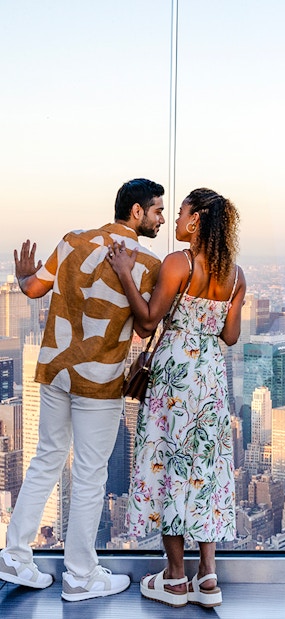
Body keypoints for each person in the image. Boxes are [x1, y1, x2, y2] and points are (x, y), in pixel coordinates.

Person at [0, 178, 165, 602]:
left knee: (46, 459)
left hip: (55, 370)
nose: (161, 219)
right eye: (157, 210)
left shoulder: (71, 240)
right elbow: (147, 325)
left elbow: (33, 288)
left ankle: (15, 556)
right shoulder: (146, 263)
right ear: (135, 212)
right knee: (91, 475)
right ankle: (80, 575)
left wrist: (21, 276)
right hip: (99, 380)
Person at [107, 187, 246, 608]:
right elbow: (231, 336)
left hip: (173, 379)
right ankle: (208, 578)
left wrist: (125, 273)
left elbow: (147, 323)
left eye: (182, 211)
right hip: (210, 378)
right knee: (205, 466)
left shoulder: (177, 264)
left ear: (198, 219)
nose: (177, 219)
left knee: (169, 462)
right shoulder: (236, 275)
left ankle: (173, 576)